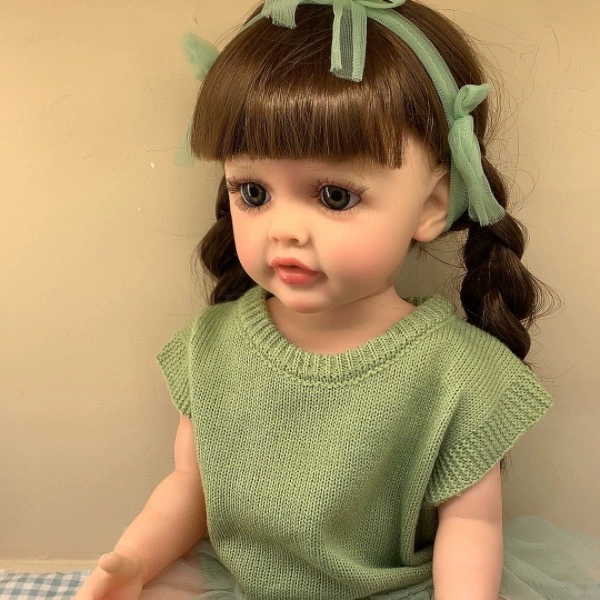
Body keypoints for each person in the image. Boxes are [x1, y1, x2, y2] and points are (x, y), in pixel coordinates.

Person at [73, 1, 600, 599]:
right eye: (253, 192)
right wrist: (136, 560)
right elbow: (191, 486)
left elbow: (473, 527)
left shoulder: (459, 374)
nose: (285, 231)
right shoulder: (211, 349)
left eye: (334, 196)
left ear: (432, 205)